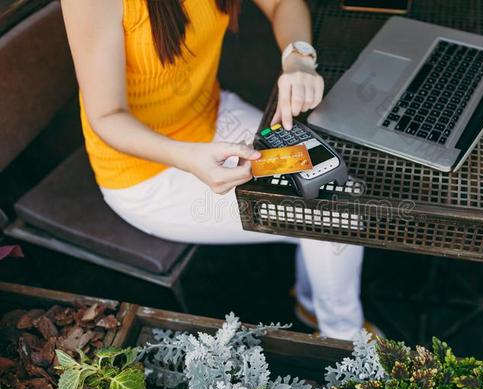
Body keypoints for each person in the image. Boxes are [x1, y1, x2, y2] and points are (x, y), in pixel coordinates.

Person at [61, 0, 379, 340]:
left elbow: (282, 3)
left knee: (336, 195)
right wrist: (190, 158)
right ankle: (344, 343)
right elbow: (106, 116)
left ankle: (313, 303)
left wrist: (298, 60)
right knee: (333, 211)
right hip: (149, 172)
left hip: (213, 117)